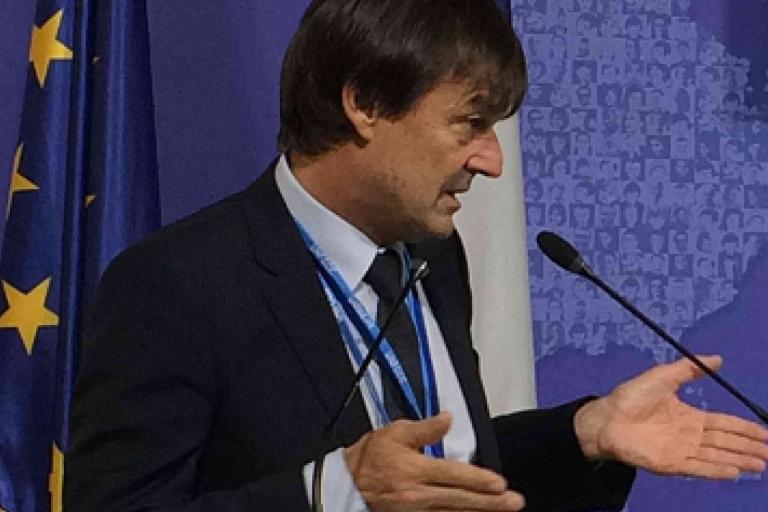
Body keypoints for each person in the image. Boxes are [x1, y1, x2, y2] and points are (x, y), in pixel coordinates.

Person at [64, 1, 768, 511]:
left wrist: (584, 433)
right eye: (470, 123)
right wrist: (331, 492)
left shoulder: (436, 255)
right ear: (366, 102)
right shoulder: (175, 284)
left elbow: (441, 470)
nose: (490, 162)